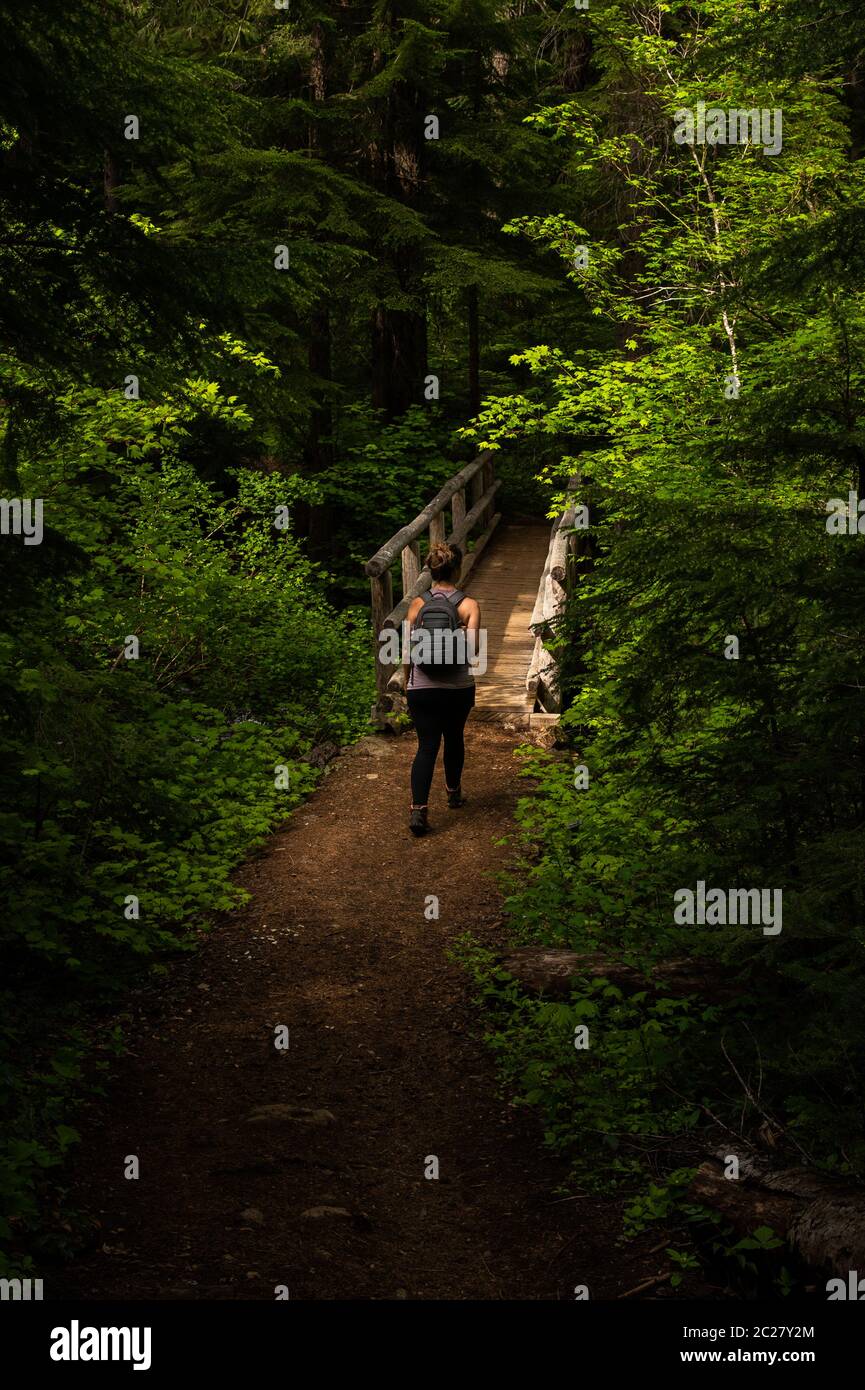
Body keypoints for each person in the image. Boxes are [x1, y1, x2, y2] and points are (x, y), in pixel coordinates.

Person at [404, 542, 481, 837]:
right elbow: (473, 652)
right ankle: (453, 793)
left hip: (421, 688)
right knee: (454, 739)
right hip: (457, 687)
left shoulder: (416, 605)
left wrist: (408, 683)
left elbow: (408, 652)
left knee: (426, 747)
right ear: (457, 568)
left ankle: (418, 811)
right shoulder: (469, 605)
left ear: (430, 570)